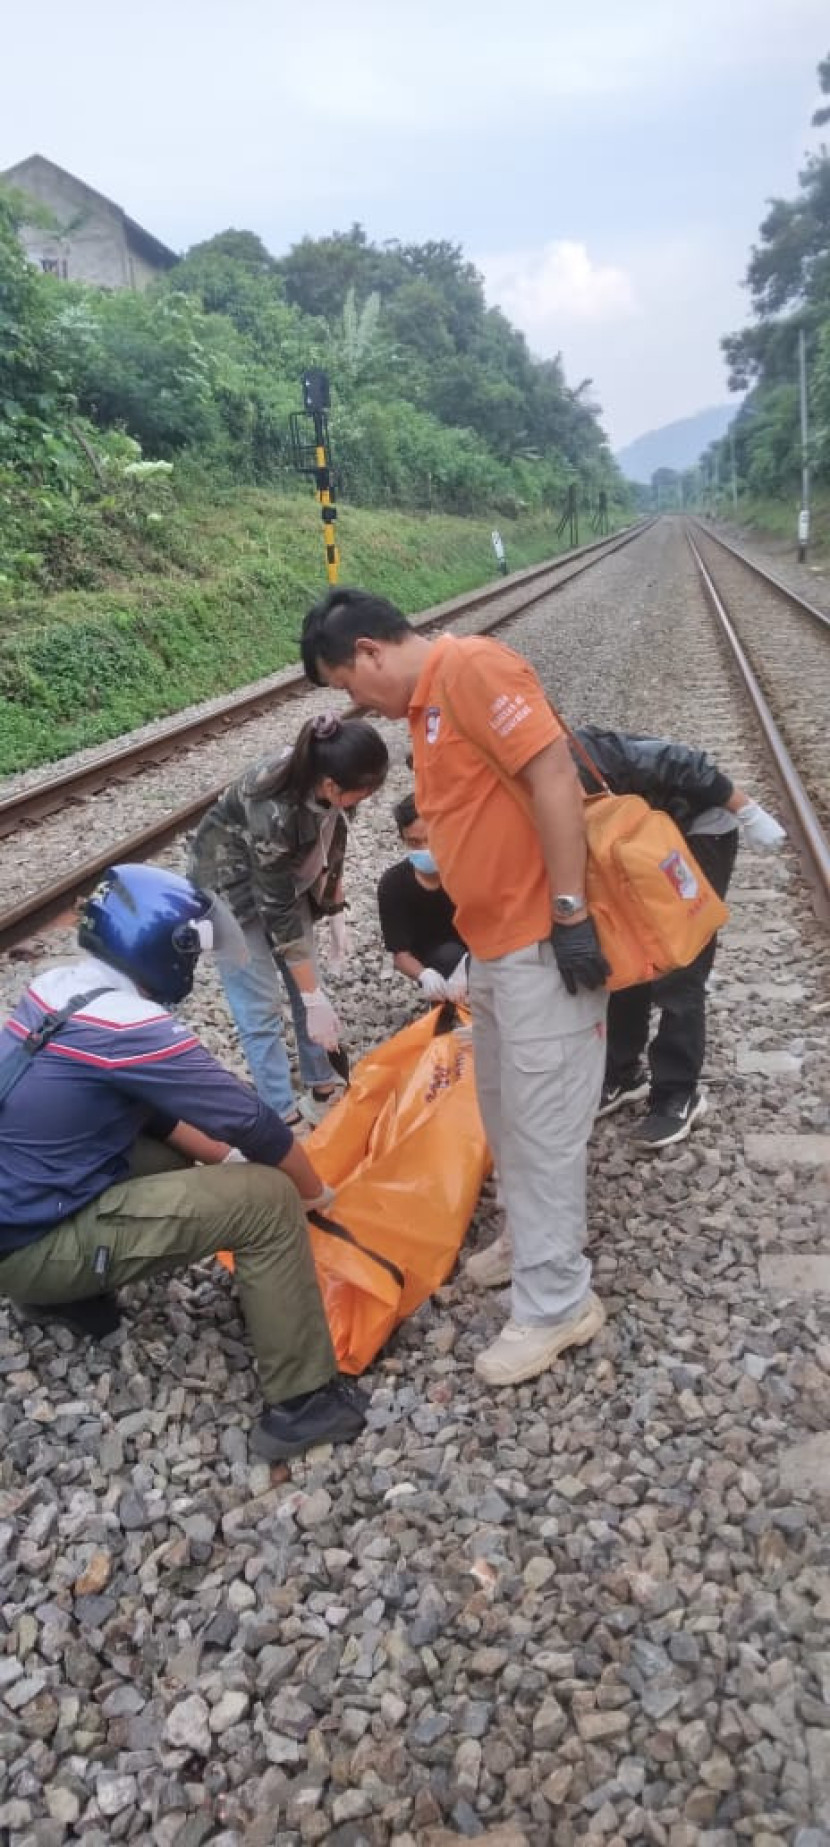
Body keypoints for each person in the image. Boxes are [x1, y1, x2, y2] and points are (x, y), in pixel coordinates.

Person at [301, 586, 610, 1389]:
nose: (351, 699)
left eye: (345, 681)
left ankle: (557, 1303)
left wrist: (571, 910)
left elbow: (551, 776)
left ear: (369, 651)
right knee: (504, 1108)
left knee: (543, 1126)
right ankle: (526, 1242)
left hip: (544, 940)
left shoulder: (471, 667)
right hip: (496, 948)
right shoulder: (425, 708)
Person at [0, 863, 368, 1462]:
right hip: (31, 1246)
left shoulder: (57, 987)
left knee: (167, 1149)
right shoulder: (128, 1025)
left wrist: (223, 1159)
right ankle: (304, 1403)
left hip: (17, 1216)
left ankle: (58, 1296)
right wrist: (312, 1192)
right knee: (265, 1202)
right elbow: (252, 1121)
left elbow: (155, 1116)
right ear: (161, 950)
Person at [574, 726, 786, 1149]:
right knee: (629, 951)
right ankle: (623, 1072)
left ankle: (677, 1092)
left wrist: (749, 812)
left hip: (695, 827)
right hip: (631, 839)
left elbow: (686, 763)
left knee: (679, 961)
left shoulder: (583, 757)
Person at [189, 713, 388, 1129]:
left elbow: (334, 840)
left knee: (308, 988)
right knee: (260, 1007)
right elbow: (274, 907)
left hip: (284, 882)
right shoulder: (273, 807)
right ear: (332, 785)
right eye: (361, 792)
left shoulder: (330, 783)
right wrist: (314, 995)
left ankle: (322, 1086)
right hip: (229, 892)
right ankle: (282, 1113)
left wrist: (333, 906)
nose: (364, 800)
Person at [377, 793, 469, 1002]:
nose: (424, 849)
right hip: (432, 959)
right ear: (402, 839)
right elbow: (400, 953)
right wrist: (424, 975)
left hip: (478, 952)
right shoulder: (393, 885)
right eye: (414, 842)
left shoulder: (465, 871)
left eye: (430, 840)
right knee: (448, 956)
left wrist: (473, 965)